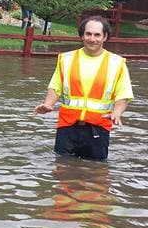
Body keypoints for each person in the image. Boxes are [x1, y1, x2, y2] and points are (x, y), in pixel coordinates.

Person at [34, 16, 133, 160]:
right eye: (88, 34)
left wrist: (117, 113)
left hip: (99, 127)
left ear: (105, 37)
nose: (92, 39)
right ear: (82, 35)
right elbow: (56, 87)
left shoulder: (117, 63)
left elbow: (123, 94)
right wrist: (48, 105)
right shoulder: (66, 59)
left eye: (97, 35)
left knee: (96, 173)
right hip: (67, 126)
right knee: (63, 170)